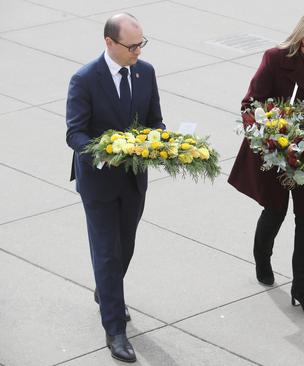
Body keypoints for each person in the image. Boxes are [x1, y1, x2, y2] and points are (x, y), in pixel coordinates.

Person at [228, 9, 304, 318]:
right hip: (276, 150)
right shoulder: (276, 58)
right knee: (275, 210)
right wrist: (270, 132)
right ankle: (262, 258)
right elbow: (251, 104)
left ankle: (302, 288)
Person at [65, 13, 163, 363]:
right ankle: (115, 329)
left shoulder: (146, 72)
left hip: (134, 179)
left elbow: (156, 120)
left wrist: (161, 141)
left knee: (126, 246)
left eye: (141, 44)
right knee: (107, 252)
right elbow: (74, 133)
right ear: (109, 43)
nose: (138, 51)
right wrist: (104, 153)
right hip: (99, 182)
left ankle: (106, 291)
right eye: (132, 46)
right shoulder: (85, 79)